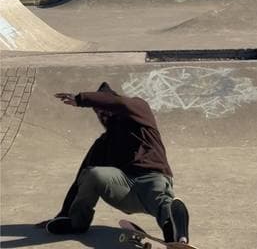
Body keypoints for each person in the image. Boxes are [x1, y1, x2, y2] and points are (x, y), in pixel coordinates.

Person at [40, 82, 189, 243]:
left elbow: (122, 104)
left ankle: (175, 233)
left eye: (107, 110)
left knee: (160, 199)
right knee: (93, 173)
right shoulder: (104, 143)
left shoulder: (139, 110)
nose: (104, 116)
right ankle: (76, 224)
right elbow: (81, 181)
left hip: (151, 179)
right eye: (100, 114)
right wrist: (63, 214)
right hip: (123, 189)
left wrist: (82, 99)